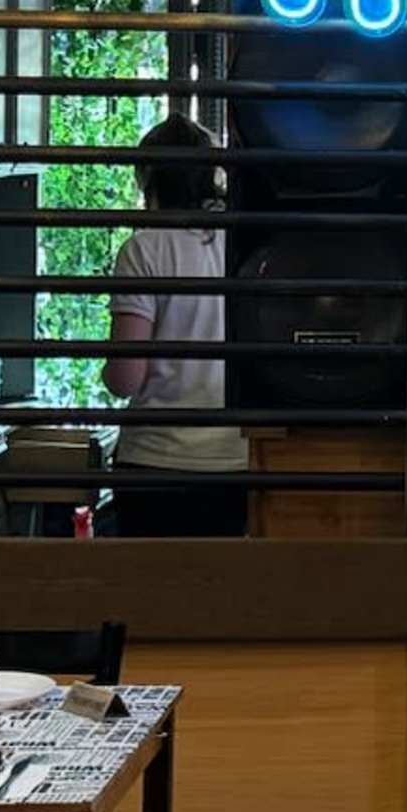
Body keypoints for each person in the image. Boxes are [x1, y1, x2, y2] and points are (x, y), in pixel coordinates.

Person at [100, 117, 250, 537]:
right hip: (238, 463)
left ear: (150, 180)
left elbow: (126, 378)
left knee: (151, 597)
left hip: (155, 464)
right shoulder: (244, 242)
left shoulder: (144, 248)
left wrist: (107, 369)